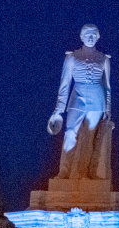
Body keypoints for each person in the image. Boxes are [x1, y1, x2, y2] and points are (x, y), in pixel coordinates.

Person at [48, 25, 112, 177]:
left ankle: (84, 171)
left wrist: (108, 108)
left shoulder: (103, 59)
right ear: (82, 37)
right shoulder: (72, 57)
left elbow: (107, 85)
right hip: (77, 96)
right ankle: (64, 170)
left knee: (89, 138)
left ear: (97, 37)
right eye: (87, 34)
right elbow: (64, 84)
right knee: (70, 133)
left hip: (97, 99)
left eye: (93, 35)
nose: (90, 37)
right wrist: (58, 109)